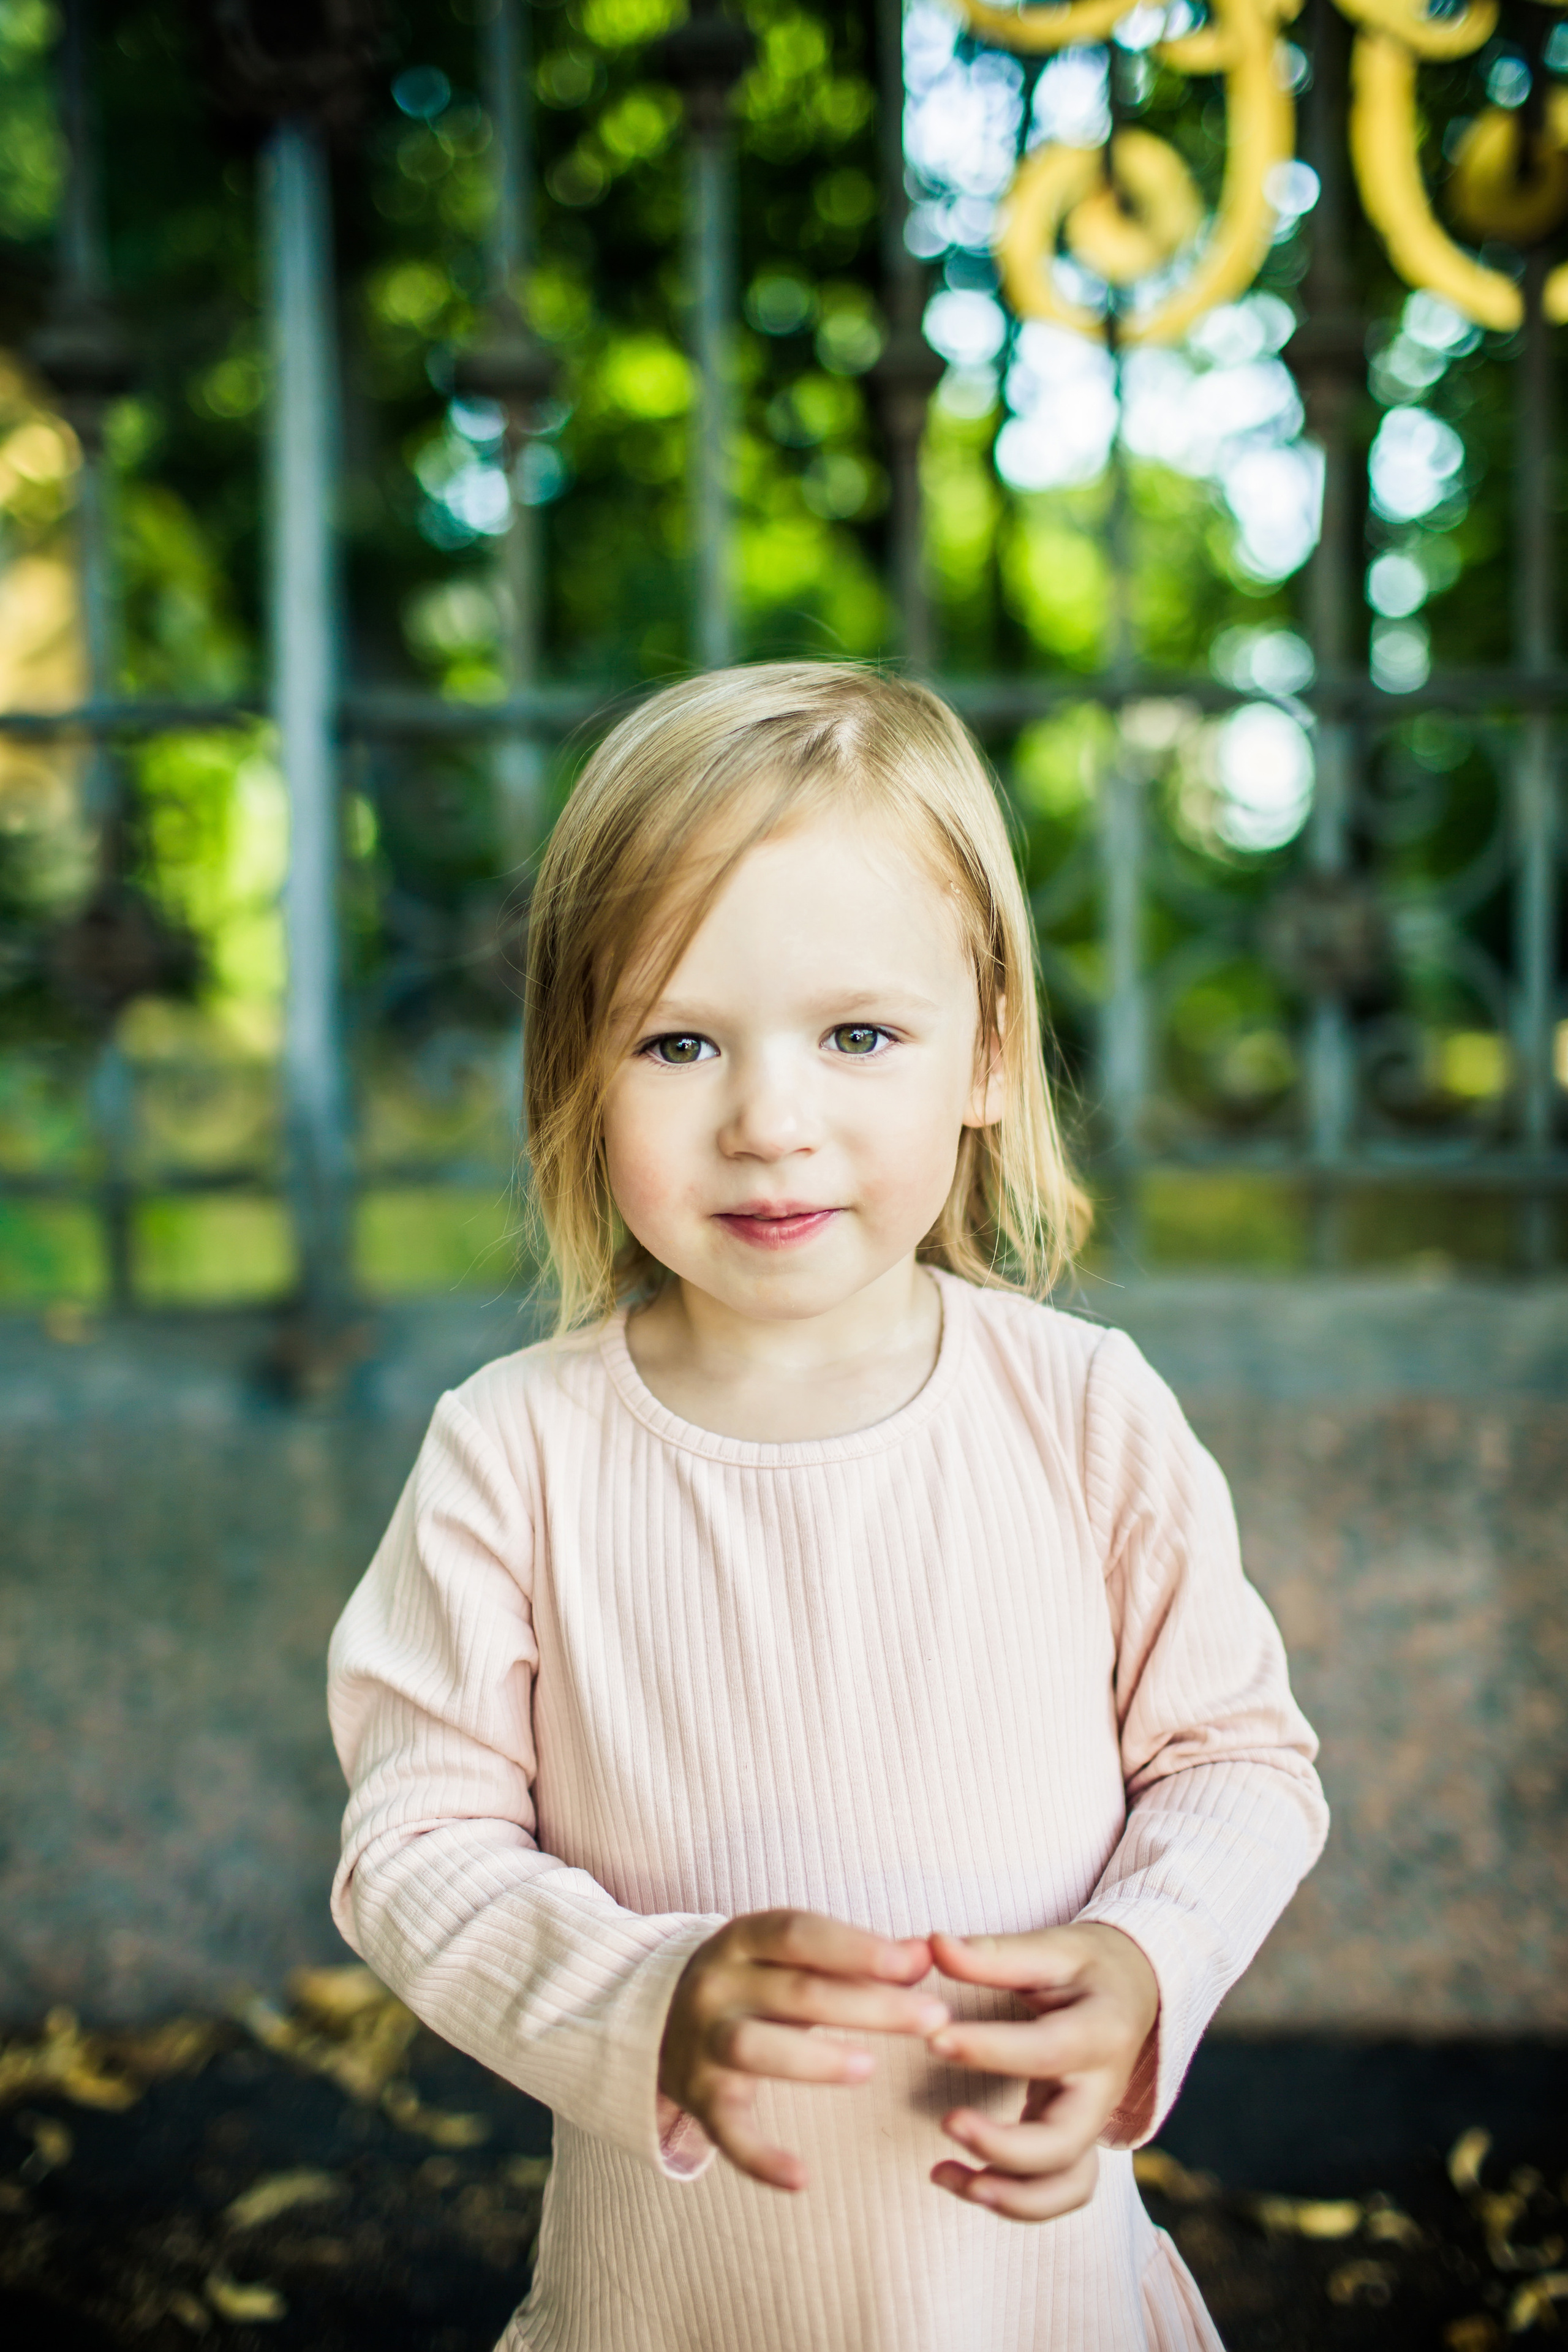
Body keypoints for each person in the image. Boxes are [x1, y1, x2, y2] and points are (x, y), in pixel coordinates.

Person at [327, 662, 1328, 2352]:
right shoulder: (516, 1454)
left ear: (987, 1052)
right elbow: (417, 1850)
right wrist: (650, 2000)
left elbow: (1236, 1760)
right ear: (577, 1070)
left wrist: (1150, 1959)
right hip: (670, 2307)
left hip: (1035, 2302)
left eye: (858, 1035)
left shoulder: (1081, 1413)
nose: (768, 1122)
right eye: (679, 1040)